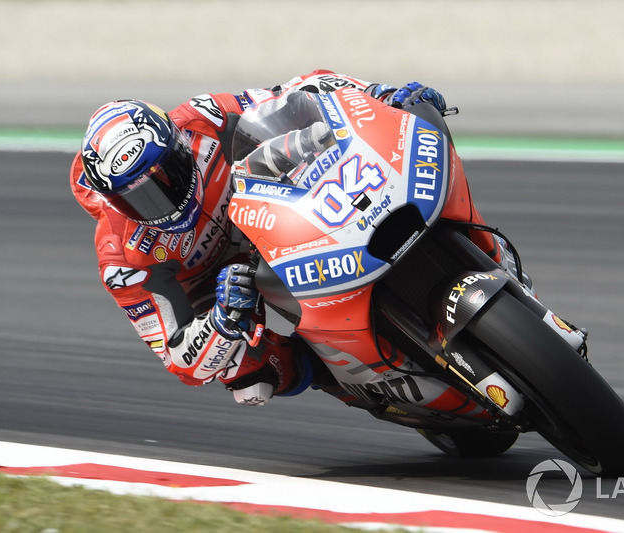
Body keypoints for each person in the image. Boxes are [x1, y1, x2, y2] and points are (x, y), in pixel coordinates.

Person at [70, 70, 471, 407]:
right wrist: (222, 320)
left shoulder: (203, 117)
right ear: (112, 200)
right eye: (137, 198)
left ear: (179, 144)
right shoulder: (121, 258)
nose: (163, 202)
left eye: (166, 177)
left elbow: (299, 92)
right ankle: (340, 376)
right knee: (248, 378)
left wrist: (378, 94)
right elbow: (181, 360)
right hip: (217, 285)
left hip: (269, 213)